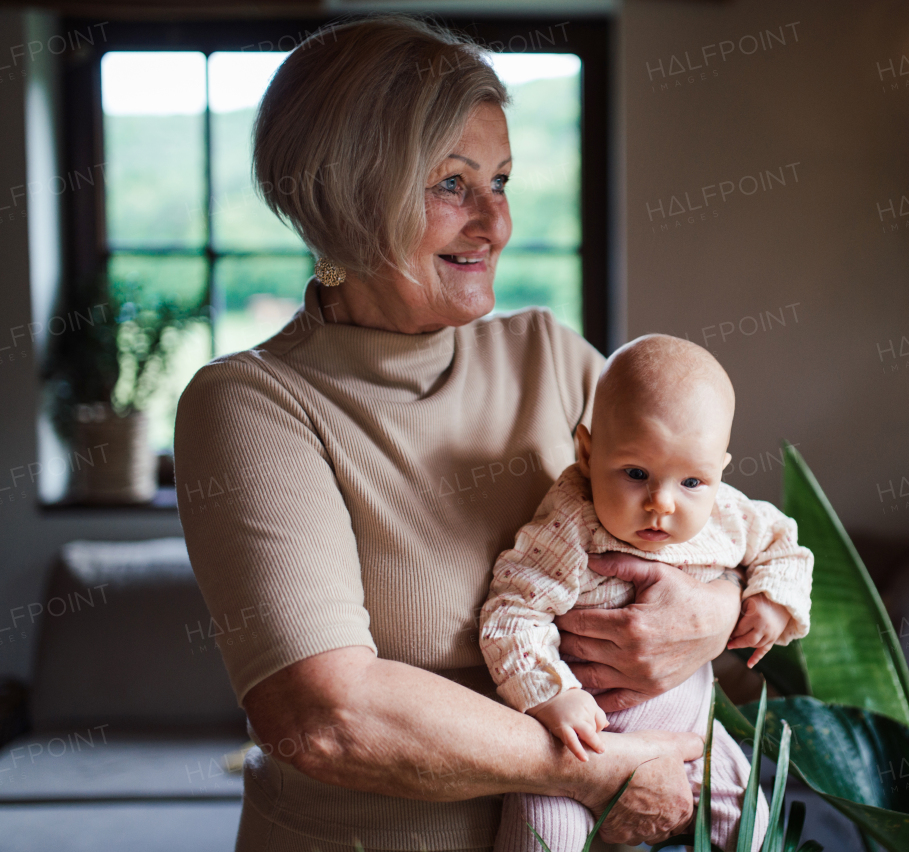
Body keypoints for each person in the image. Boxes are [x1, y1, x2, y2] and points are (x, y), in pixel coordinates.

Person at [174, 17, 745, 852]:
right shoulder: (253, 404)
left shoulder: (548, 354)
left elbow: (706, 518)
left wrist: (714, 611)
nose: (494, 224)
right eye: (452, 184)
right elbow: (323, 715)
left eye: (502, 182)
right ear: (352, 191)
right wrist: (593, 770)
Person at [480, 335, 814, 852]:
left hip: (693, 741)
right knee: (545, 835)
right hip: (579, 746)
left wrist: (771, 597)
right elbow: (512, 614)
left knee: (751, 821)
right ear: (588, 453)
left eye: (692, 481)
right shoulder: (571, 526)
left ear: (719, 470)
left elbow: (783, 544)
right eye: (637, 474)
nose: (662, 503)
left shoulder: (726, 513)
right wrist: (551, 693)